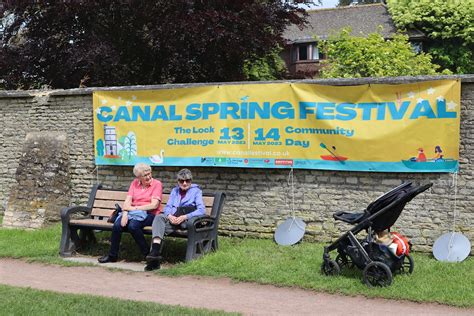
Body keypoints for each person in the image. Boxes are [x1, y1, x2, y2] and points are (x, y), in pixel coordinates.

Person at [98, 163, 162, 263]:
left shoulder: (157, 184)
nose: (149, 176)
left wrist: (135, 208)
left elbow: (154, 205)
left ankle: (147, 255)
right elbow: (127, 201)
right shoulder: (134, 183)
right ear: (139, 177)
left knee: (133, 226)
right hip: (132, 213)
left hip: (150, 214)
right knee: (117, 225)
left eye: (149, 173)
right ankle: (112, 256)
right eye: (145, 175)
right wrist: (124, 214)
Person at [145, 168, 205, 271]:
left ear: (191, 181)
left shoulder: (196, 191)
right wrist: (169, 216)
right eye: (182, 181)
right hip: (173, 219)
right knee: (159, 219)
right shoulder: (175, 191)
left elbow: (201, 210)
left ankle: (153, 260)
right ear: (178, 182)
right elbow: (167, 207)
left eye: (187, 181)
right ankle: (154, 256)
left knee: (160, 228)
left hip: (187, 221)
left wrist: (185, 217)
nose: (184, 183)